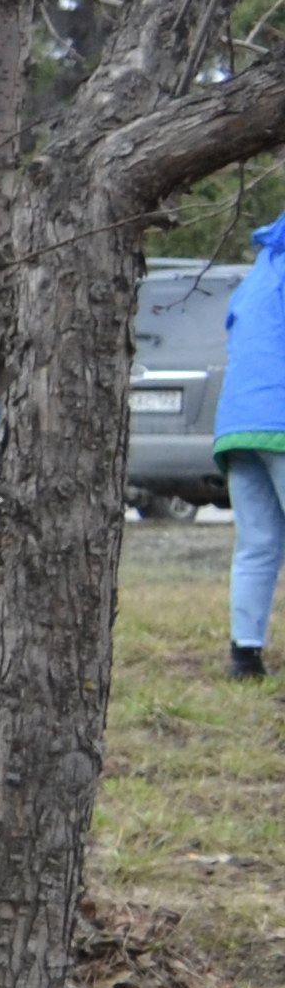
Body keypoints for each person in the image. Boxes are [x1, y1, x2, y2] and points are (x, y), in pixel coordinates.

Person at [217, 217, 285, 679]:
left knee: (257, 543)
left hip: (237, 427)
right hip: (279, 419)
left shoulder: (262, 271)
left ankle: (245, 656)